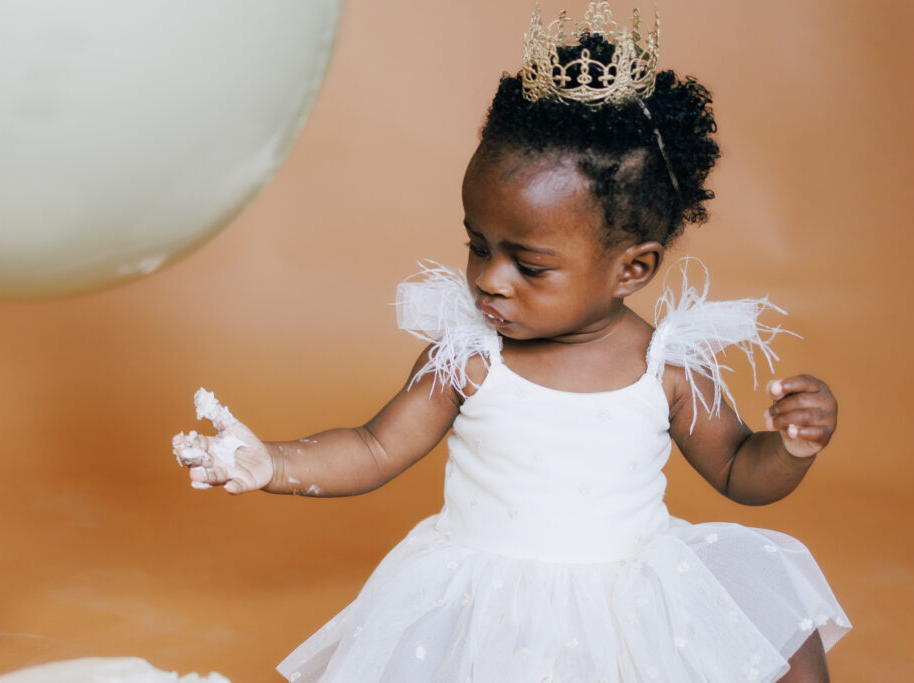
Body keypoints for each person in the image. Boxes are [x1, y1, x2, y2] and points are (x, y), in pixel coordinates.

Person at [172, 4, 850, 681]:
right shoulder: (470, 358)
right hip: (485, 604)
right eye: (477, 245)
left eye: (528, 264)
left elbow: (738, 469)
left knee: (783, 642)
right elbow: (373, 447)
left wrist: (789, 447)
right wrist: (271, 462)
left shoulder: (666, 368)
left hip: (628, 599)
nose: (489, 279)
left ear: (632, 268)